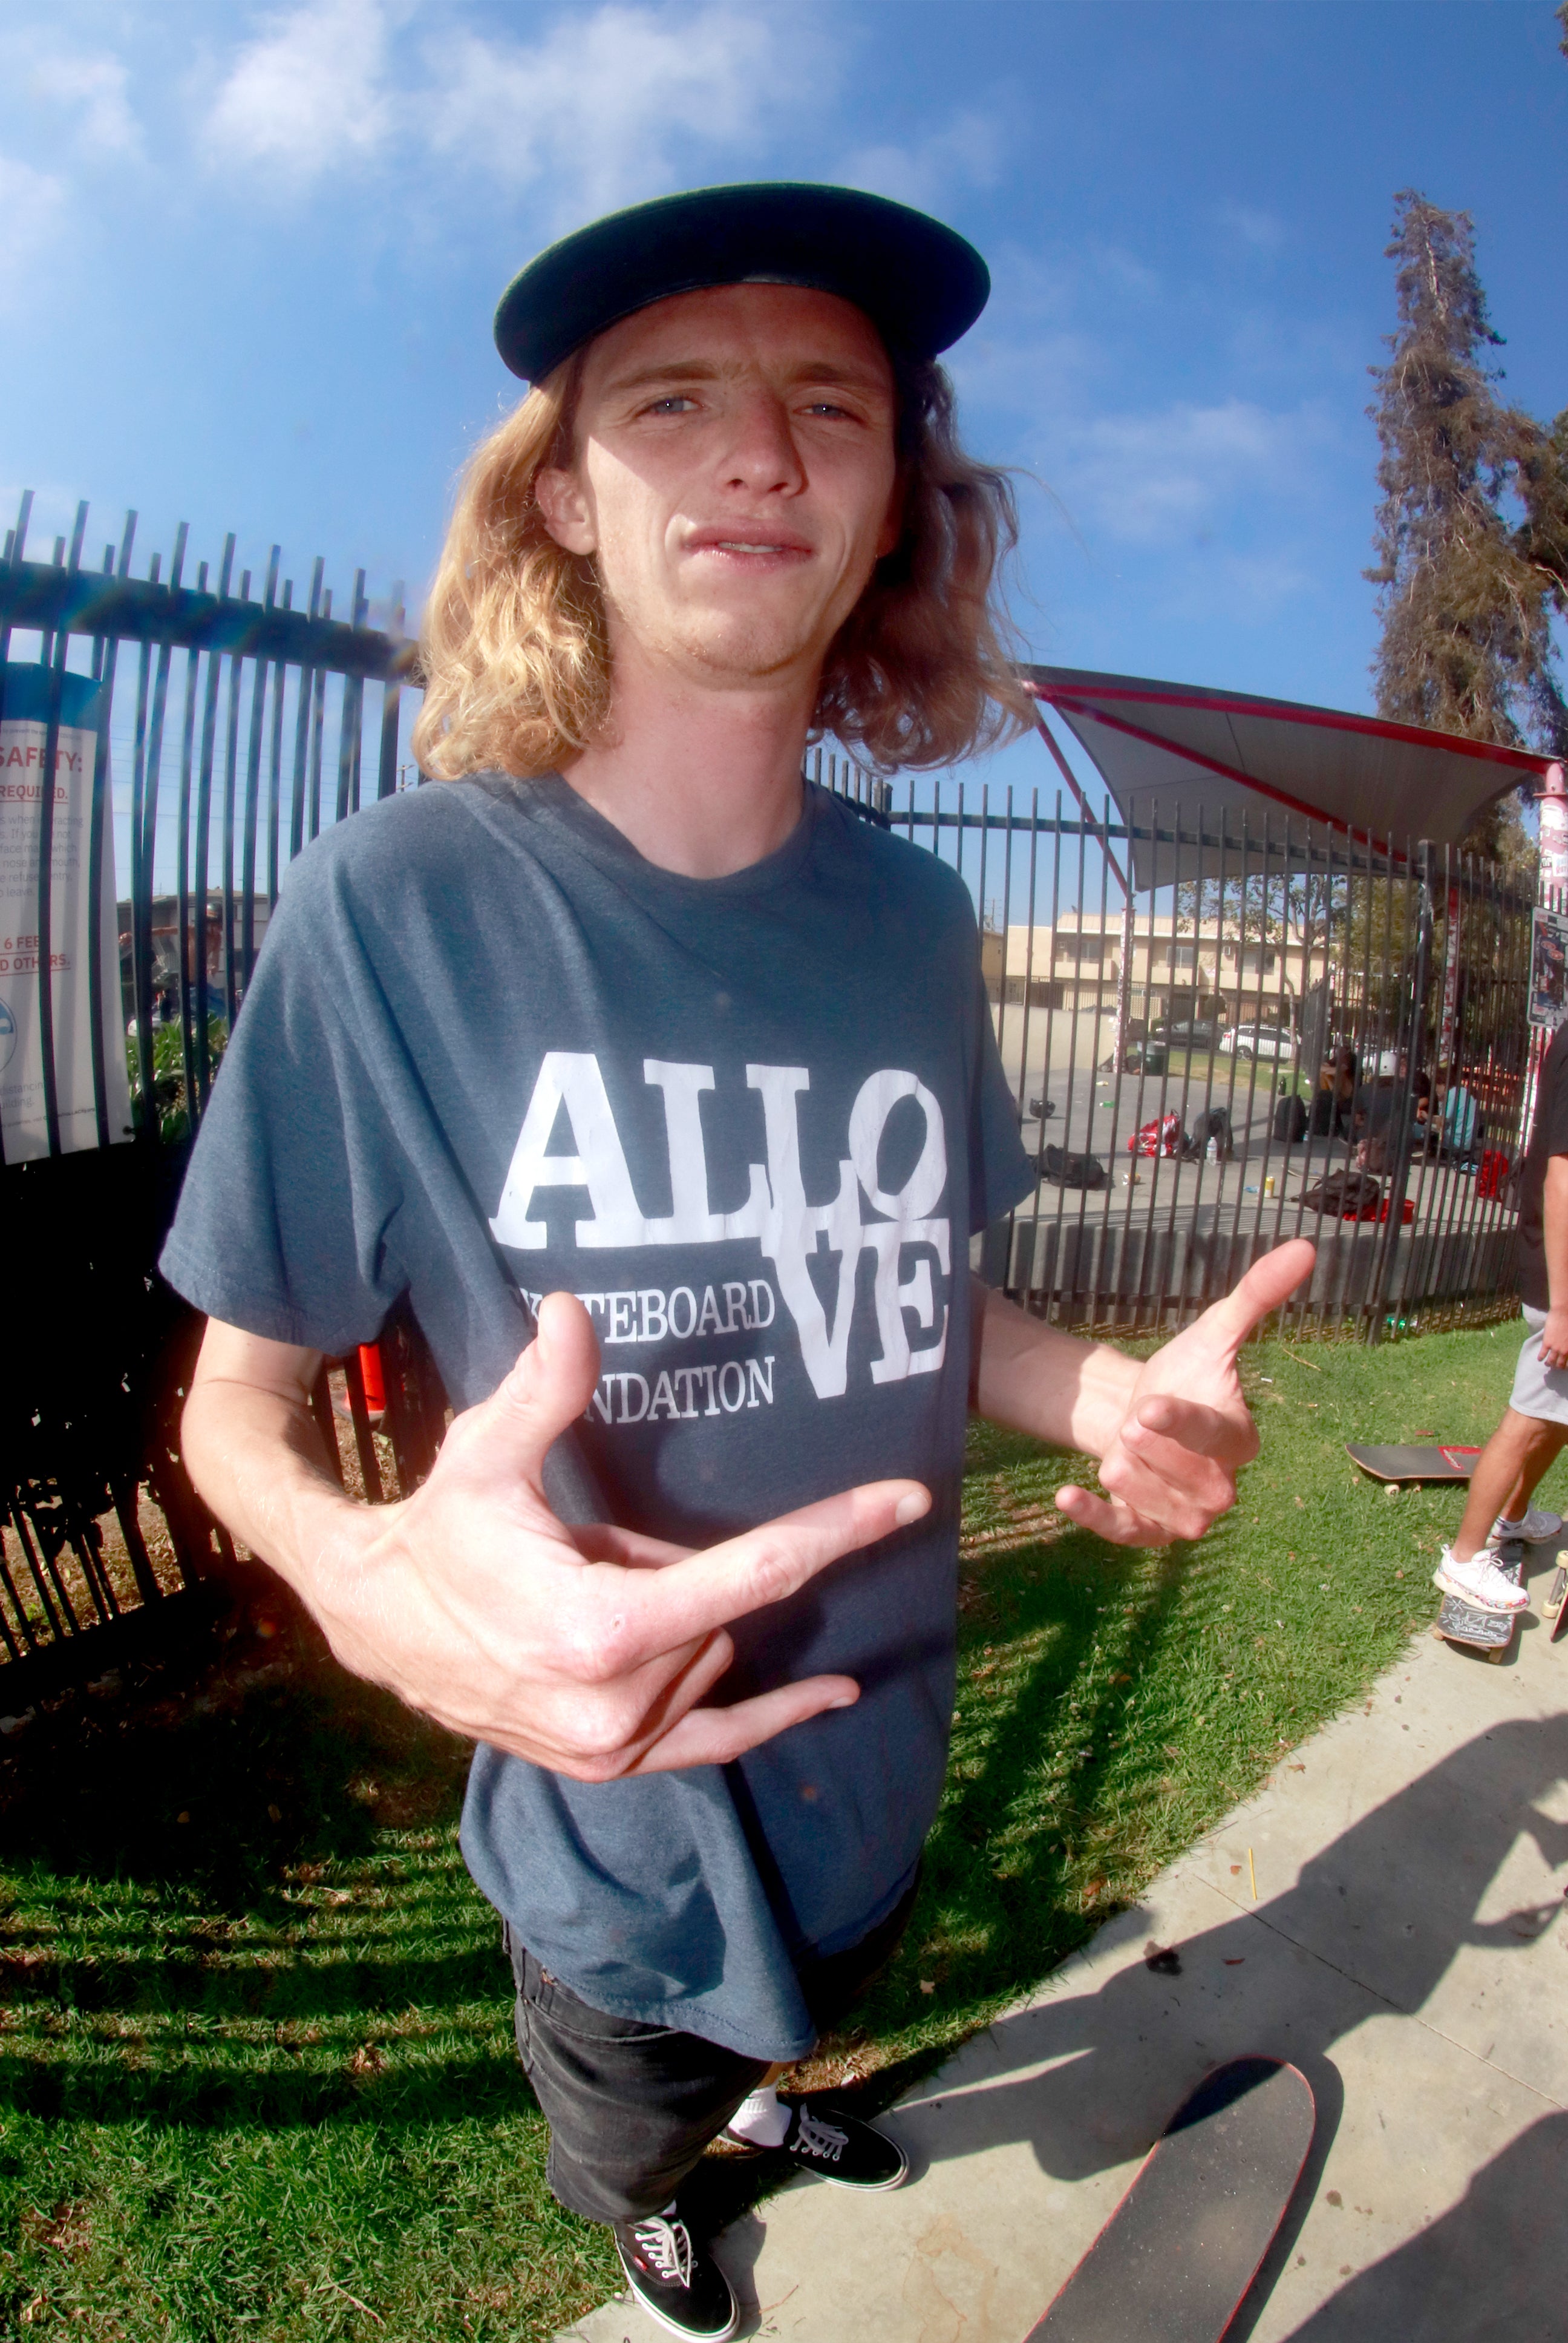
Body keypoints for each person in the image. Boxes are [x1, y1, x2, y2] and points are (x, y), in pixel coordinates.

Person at [160, 182, 1314, 2343]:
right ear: (567, 502)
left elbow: (911, 1289)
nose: (756, 452)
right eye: (669, 401)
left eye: (828, 409)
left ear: (892, 514)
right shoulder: (387, 910)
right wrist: (351, 1572)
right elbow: (237, 1399)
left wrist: (1101, 1396)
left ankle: (773, 2109)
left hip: (880, 1765)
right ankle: (649, 2203)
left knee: (805, 2037)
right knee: (632, 2117)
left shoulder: (913, 926)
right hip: (615, 1839)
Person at [1433, 1020, 1568, 1616]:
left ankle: (1512, 1519)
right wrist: (1563, 1307)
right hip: (1564, 1281)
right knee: (1530, 1415)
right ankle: (1464, 1560)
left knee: (1555, 1415)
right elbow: (1562, 1178)